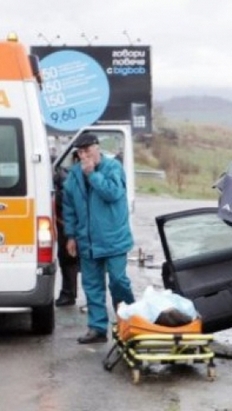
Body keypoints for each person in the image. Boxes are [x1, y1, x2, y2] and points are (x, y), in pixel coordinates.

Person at [62, 132, 135, 344]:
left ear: (97, 148)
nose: (84, 156)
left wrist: (93, 175)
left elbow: (113, 193)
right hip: (87, 241)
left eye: (88, 151)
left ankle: (130, 323)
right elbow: (69, 208)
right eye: (81, 152)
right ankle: (97, 329)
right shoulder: (74, 176)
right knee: (92, 286)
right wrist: (71, 236)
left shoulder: (113, 168)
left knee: (118, 281)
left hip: (113, 239)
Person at [53, 151, 81, 307]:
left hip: (68, 224)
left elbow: (65, 200)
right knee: (69, 259)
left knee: (69, 259)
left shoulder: (67, 177)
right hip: (68, 223)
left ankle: (68, 293)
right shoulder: (71, 176)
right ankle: (68, 293)